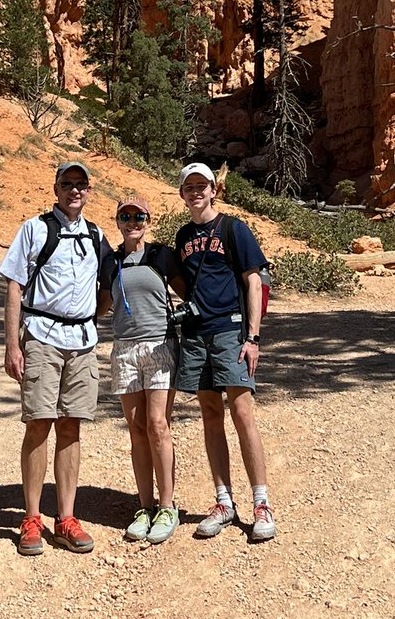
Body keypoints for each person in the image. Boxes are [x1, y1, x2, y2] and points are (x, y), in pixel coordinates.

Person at [0, 160, 112, 557]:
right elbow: (15, 286)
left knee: (71, 427)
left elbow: (110, 285)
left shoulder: (96, 235)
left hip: (82, 341)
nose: (74, 190)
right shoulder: (35, 229)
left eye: (81, 184)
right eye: (68, 183)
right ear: (56, 188)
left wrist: (95, 317)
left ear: (89, 190)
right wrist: (13, 345)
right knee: (39, 424)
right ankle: (32, 517)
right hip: (43, 338)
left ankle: (65, 518)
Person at [175, 161, 277, 543]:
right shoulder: (183, 235)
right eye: (190, 186)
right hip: (197, 335)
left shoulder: (234, 228)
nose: (197, 191)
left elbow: (253, 281)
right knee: (210, 415)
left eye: (203, 185)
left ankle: (262, 503)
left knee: (242, 412)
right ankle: (223, 501)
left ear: (214, 190)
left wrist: (252, 337)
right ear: (182, 193)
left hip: (231, 332)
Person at [97, 196, 184, 545]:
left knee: (158, 425)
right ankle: (144, 506)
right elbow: (102, 305)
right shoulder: (111, 262)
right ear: (117, 222)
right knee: (136, 428)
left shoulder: (162, 256)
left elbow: (189, 293)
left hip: (160, 345)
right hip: (124, 349)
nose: (133, 221)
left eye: (139, 216)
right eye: (126, 216)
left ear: (149, 220)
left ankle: (167, 506)